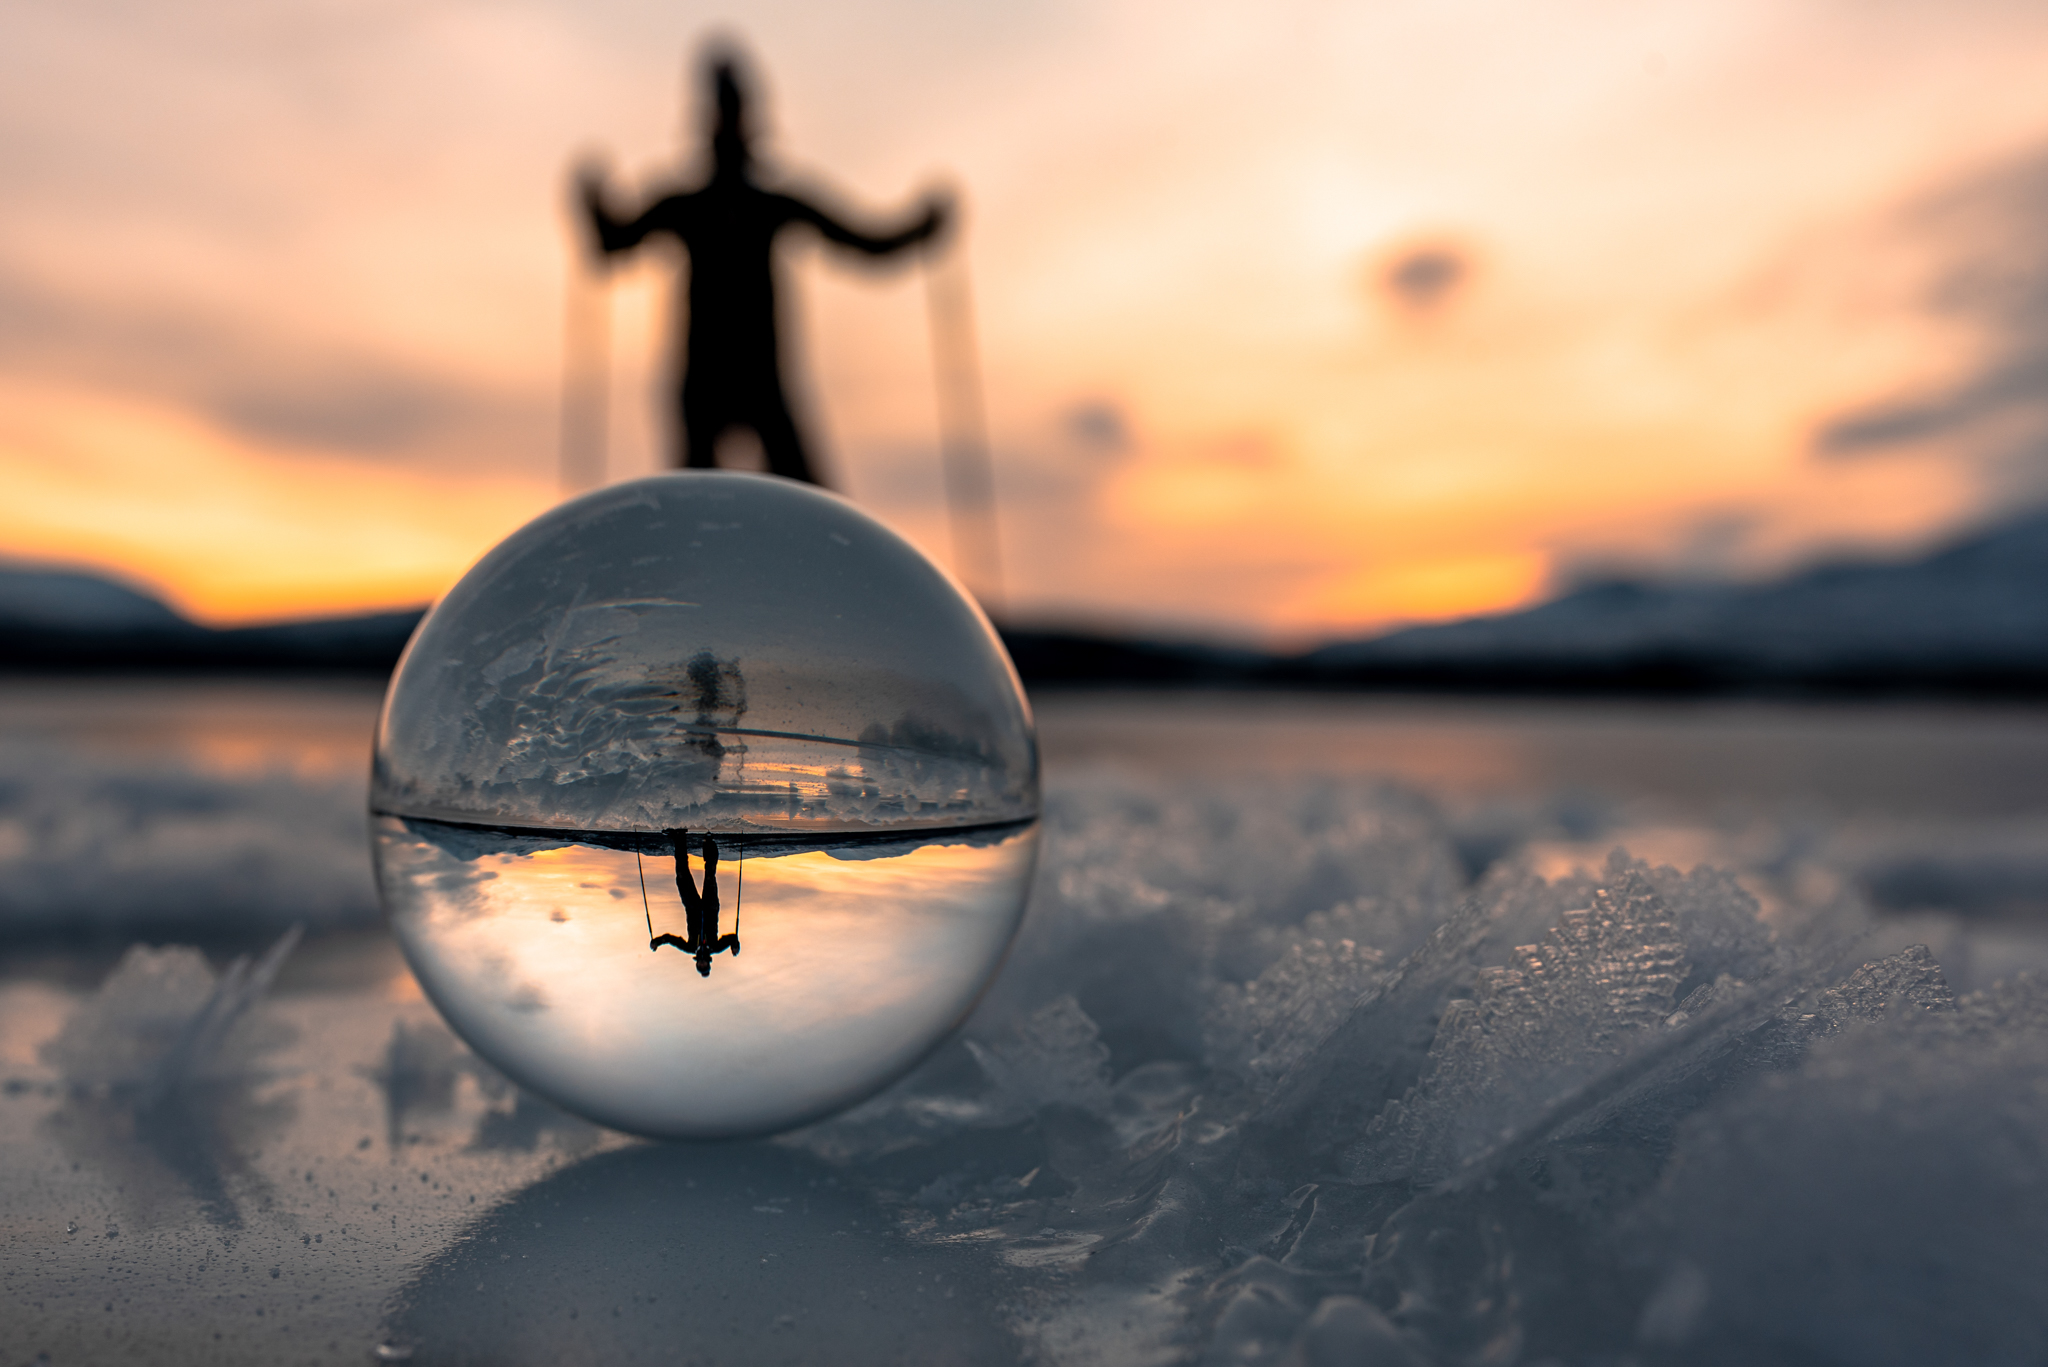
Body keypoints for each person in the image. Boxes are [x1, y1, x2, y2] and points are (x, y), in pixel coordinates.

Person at [577, 49, 950, 486]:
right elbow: (613, 244)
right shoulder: (693, 206)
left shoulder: (762, 205)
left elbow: (867, 242)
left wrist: (920, 229)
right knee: (700, 512)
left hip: (763, 385)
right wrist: (594, 208)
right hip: (705, 385)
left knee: (807, 509)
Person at [650, 829, 739, 977]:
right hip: (710, 908)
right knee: (710, 873)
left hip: (692, 908)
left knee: (681, 875)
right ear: (709, 963)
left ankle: (679, 838)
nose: (702, 963)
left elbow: (672, 940)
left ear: (697, 963)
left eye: (700, 966)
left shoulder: (690, 948)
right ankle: (708, 841)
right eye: (704, 965)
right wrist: (735, 946)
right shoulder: (715, 948)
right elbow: (731, 938)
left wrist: (657, 942)